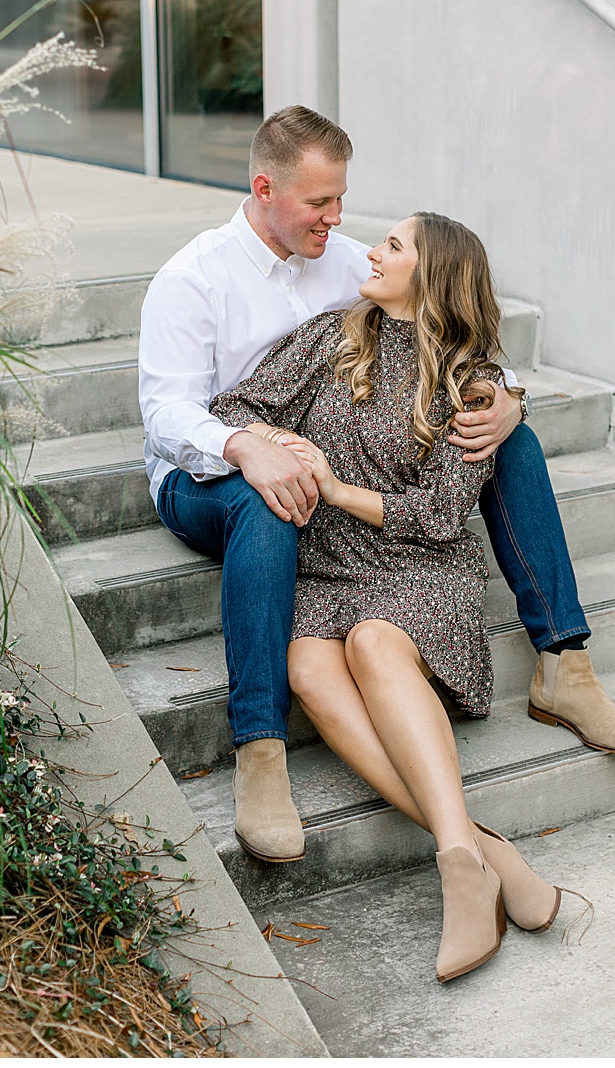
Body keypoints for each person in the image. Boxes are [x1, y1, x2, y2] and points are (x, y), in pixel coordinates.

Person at [138, 107, 615, 870]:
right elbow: (166, 413)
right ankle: (259, 748)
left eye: (341, 199)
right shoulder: (194, 278)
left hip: (326, 481)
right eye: (319, 202)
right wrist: (253, 447)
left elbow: (448, 325)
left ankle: (563, 660)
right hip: (203, 476)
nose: (337, 218)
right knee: (265, 500)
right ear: (265, 188)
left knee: (509, 440)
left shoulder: (343, 260)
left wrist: (507, 395)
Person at [209, 212, 565, 979]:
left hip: (417, 568)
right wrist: (282, 447)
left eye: (394, 245)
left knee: (373, 641)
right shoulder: (330, 336)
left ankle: (457, 869)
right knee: (306, 668)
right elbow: (234, 409)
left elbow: (439, 516)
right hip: (327, 567)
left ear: (433, 275)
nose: (372, 250)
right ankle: (479, 847)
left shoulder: (474, 385)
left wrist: (335, 487)